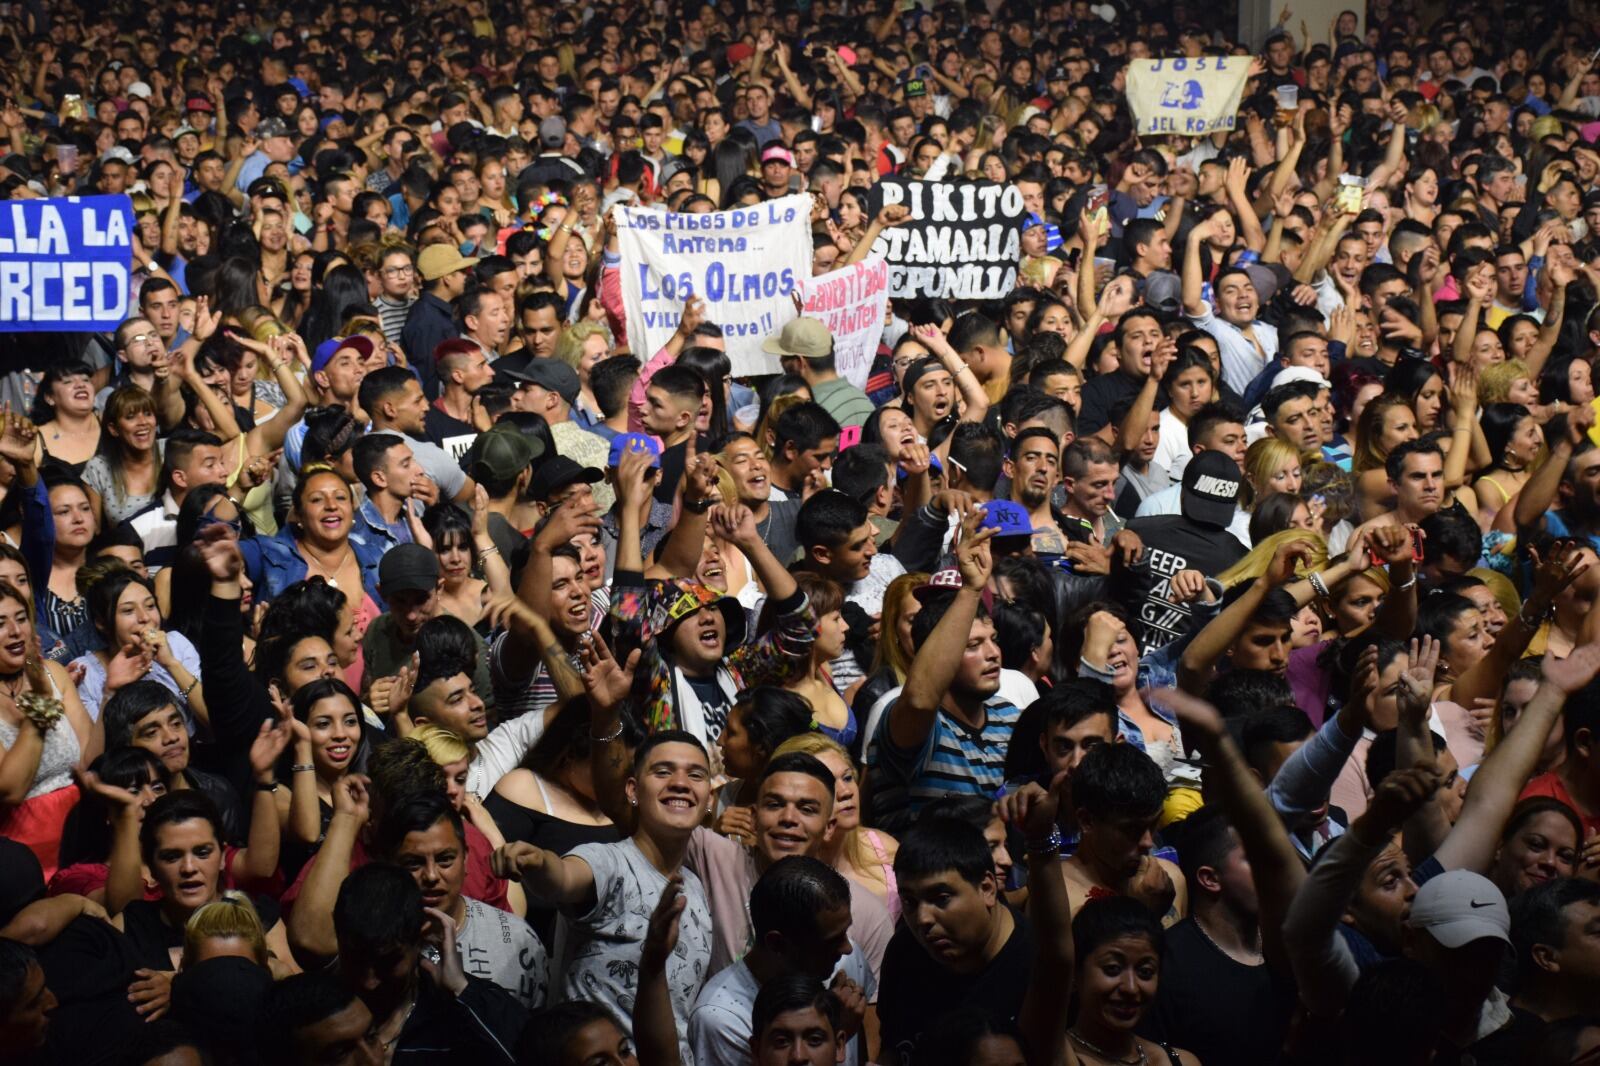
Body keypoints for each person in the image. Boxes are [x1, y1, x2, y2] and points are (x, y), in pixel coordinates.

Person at [688, 856, 872, 1066]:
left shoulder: (842, 961)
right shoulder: (722, 1019)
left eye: (845, 932)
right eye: (781, 1041)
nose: (847, 948)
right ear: (777, 944)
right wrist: (833, 1034)